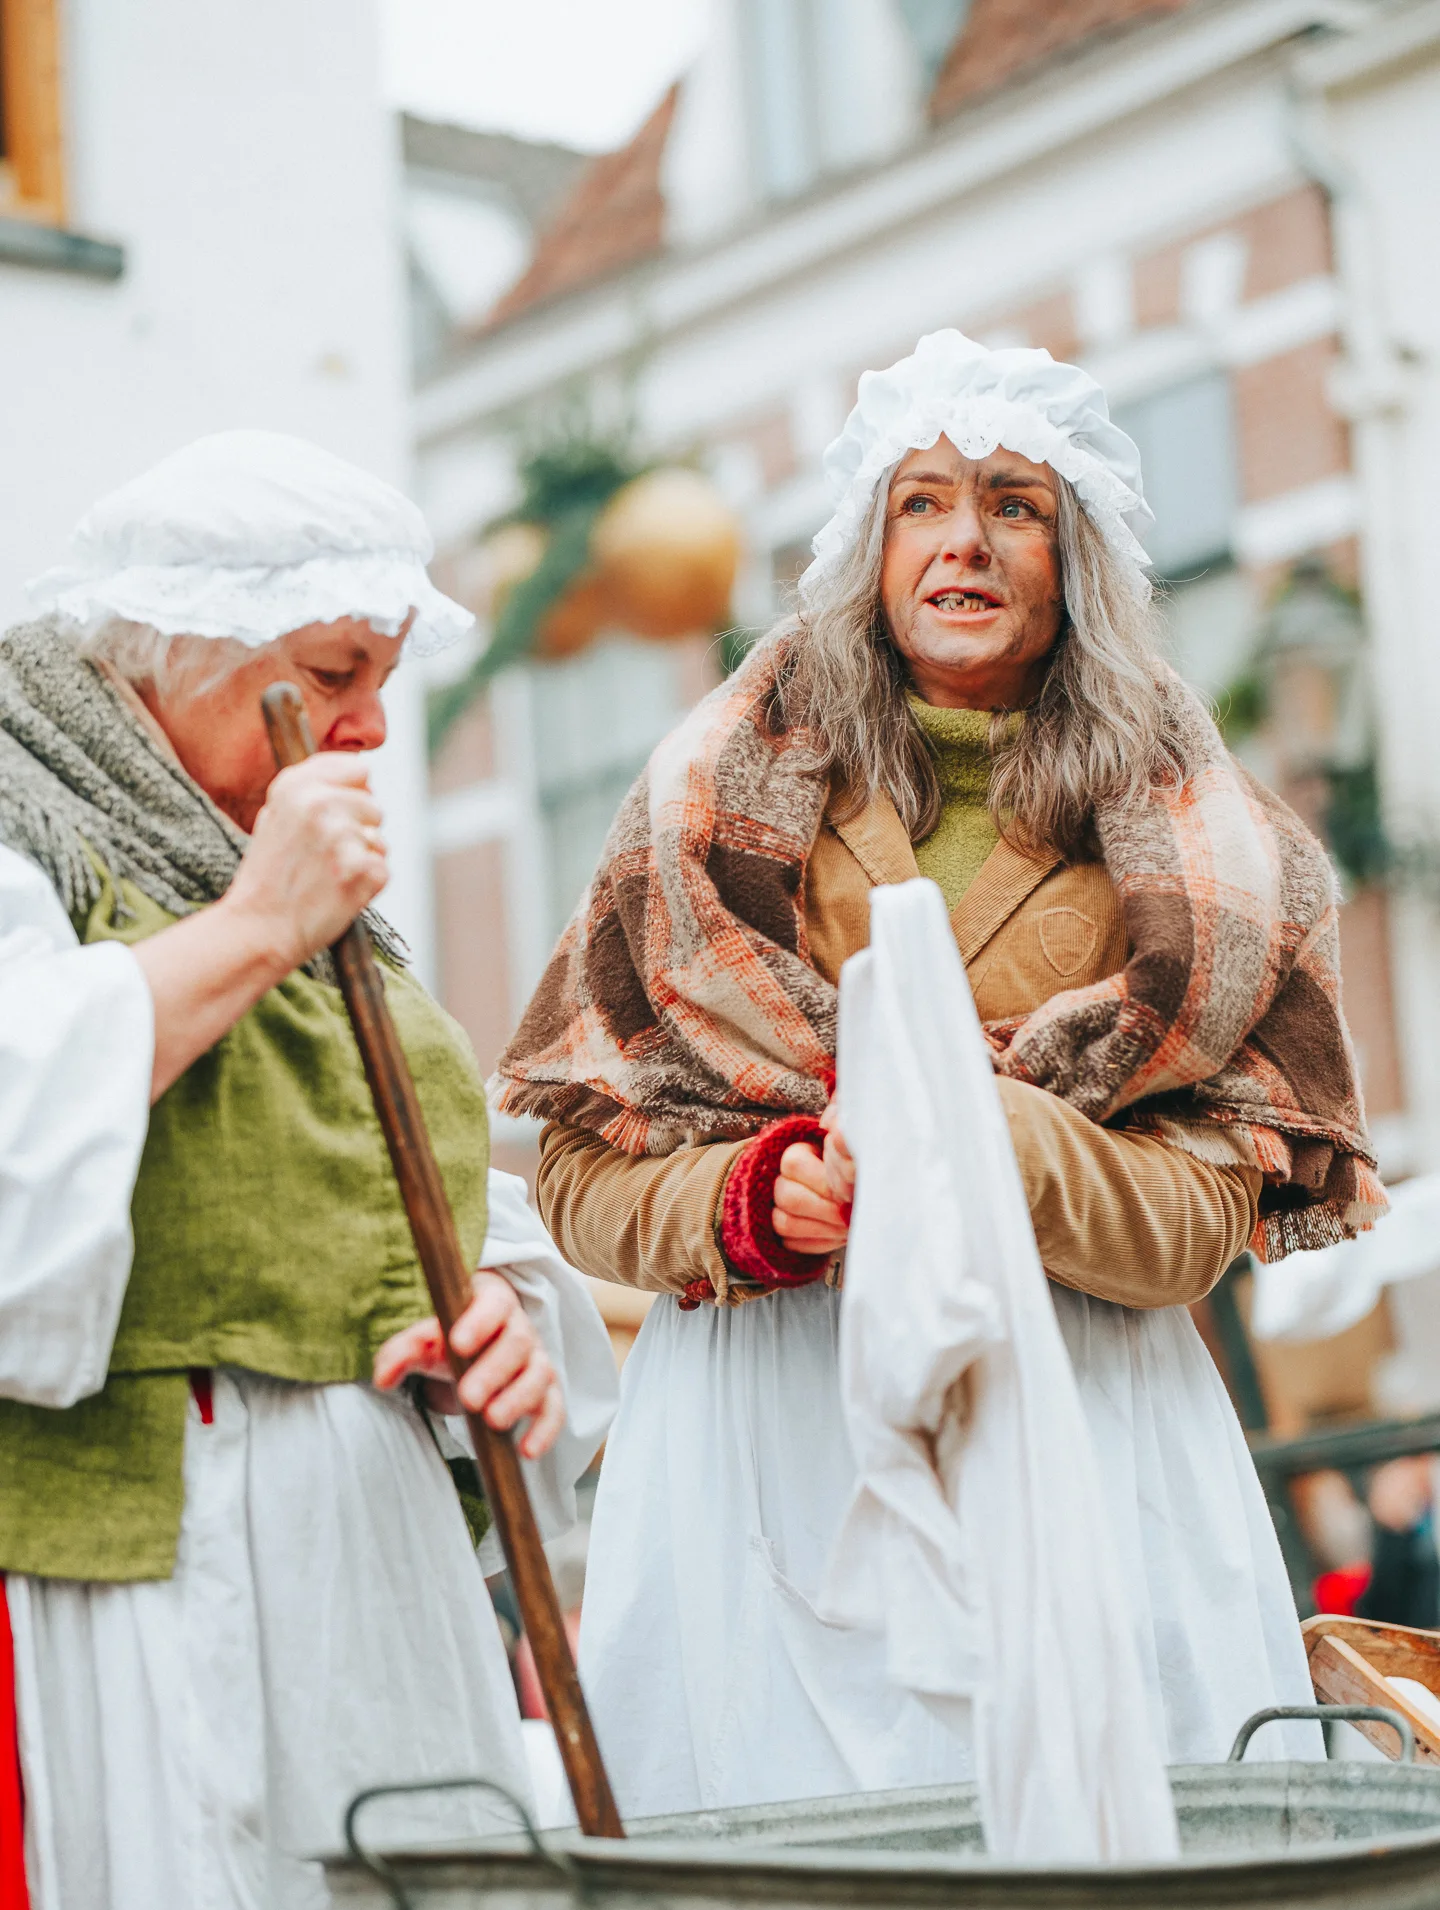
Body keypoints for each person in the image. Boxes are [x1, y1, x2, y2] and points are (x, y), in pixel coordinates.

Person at [497, 330, 1384, 1819]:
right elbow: (581, 1176)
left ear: (1075, 558)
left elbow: (1197, 1230)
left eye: (1013, 505)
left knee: (1091, 1877)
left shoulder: (1205, 842)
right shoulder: (703, 800)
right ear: (871, 546)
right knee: (786, 1882)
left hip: (1083, 1433)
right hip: (762, 1446)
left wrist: (989, 1142)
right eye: (922, 502)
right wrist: (752, 1198)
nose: (963, 540)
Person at [0, 431, 616, 1910]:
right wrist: (261, 921)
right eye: (331, 674)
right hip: (163, 1553)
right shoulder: (30, 816)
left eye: (383, 682)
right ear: (182, 655)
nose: (364, 728)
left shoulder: (305, 885)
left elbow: (420, 1180)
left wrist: (502, 1328)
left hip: (373, 1558)